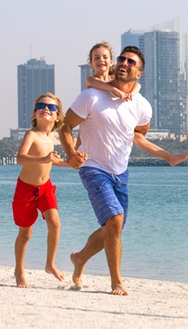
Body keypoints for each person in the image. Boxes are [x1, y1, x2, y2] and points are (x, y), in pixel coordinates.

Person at [59, 45, 152, 296]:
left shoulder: (142, 105)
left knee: (114, 228)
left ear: (139, 73)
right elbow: (65, 126)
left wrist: (165, 154)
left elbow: (141, 130)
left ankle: (79, 259)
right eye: (121, 59)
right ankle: (116, 282)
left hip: (121, 173)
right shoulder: (91, 96)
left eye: (131, 62)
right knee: (115, 220)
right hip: (92, 167)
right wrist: (71, 153)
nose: (125, 63)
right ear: (115, 65)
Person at [83, 42, 188, 167]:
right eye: (96, 58)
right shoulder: (93, 80)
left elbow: (137, 85)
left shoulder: (115, 78)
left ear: (111, 61)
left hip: (111, 123)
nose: (101, 60)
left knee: (137, 136)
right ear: (91, 63)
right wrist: (114, 90)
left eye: (105, 57)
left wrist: (132, 94)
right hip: (93, 126)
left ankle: (169, 157)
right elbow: (93, 82)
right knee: (81, 146)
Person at [13, 93, 70, 288]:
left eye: (51, 107)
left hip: (45, 188)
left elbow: (54, 161)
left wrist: (72, 164)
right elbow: (20, 158)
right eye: (41, 106)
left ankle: (50, 263)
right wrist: (43, 159)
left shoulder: (53, 136)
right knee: (25, 234)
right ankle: (19, 271)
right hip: (26, 189)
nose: (46, 108)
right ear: (35, 114)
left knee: (55, 223)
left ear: (57, 117)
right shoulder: (32, 135)